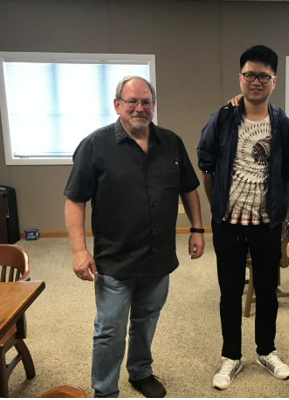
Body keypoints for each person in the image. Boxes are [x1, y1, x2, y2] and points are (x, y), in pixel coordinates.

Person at [64, 76, 204, 398]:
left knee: (147, 319)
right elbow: (75, 200)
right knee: (109, 330)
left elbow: (188, 188)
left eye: (146, 102)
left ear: (153, 106)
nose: (140, 108)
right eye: (132, 101)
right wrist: (78, 250)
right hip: (115, 259)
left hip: (158, 256)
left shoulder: (171, 142)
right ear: (117, 105)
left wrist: (197, 228)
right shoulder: (95, 145)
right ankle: (105, 391)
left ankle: (140, 371)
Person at [197, 45, 289, 390]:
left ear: (274, 81)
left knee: (267, 292)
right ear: (240, 78)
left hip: (266, 225)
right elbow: (206, 166)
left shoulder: (283, 124)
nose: (256, 82)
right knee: (229, 293)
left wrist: (281, 218)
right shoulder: (222, 118)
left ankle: (266, 351)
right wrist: (217, 209)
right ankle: (231, 356)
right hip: (228, 225)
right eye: (249, 75)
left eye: (263, 76)